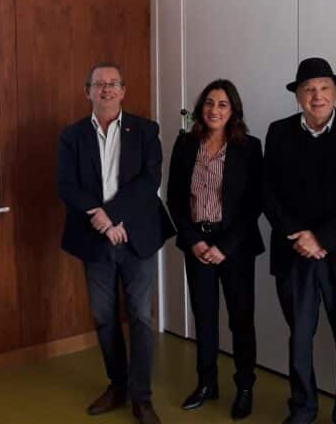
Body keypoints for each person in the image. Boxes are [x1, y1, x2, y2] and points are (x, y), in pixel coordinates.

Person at [263, 57, 336, 424]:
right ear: (297, 95)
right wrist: (300, 237)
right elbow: (268, 194)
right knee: (299, 339)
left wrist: (322, 238)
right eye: (309, 89)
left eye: (324, 88)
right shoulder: (278, 132)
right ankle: (302, 410)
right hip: (294, 253)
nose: (317, 96)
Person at [57, 62, 175, 424]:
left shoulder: (145, 130)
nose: (106, 89)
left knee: (139, 316)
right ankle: (117, 385)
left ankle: (142, 397)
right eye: (99, 84)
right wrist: (102, 220)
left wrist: (112, 215)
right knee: (103, 316)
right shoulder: (72, 135)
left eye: (113, 83)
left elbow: (149, 180)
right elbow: (67, 185)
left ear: (123, 91)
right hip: (95, 238)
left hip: (137, 236)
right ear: (87, 92)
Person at [167, 79, 264, 420]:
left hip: (234, 246)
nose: (214, 110)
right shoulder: (185, 144)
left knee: (241, 320)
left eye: (223, 104)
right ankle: (207, 383)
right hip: (197, 243)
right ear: (200, 108)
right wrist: (194, 240)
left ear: (233, 110)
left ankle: (245, 386)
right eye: (209, 103)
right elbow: (175, 199)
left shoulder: (249, 147)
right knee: (204, 319)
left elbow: (254, 203)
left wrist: (224, 245)